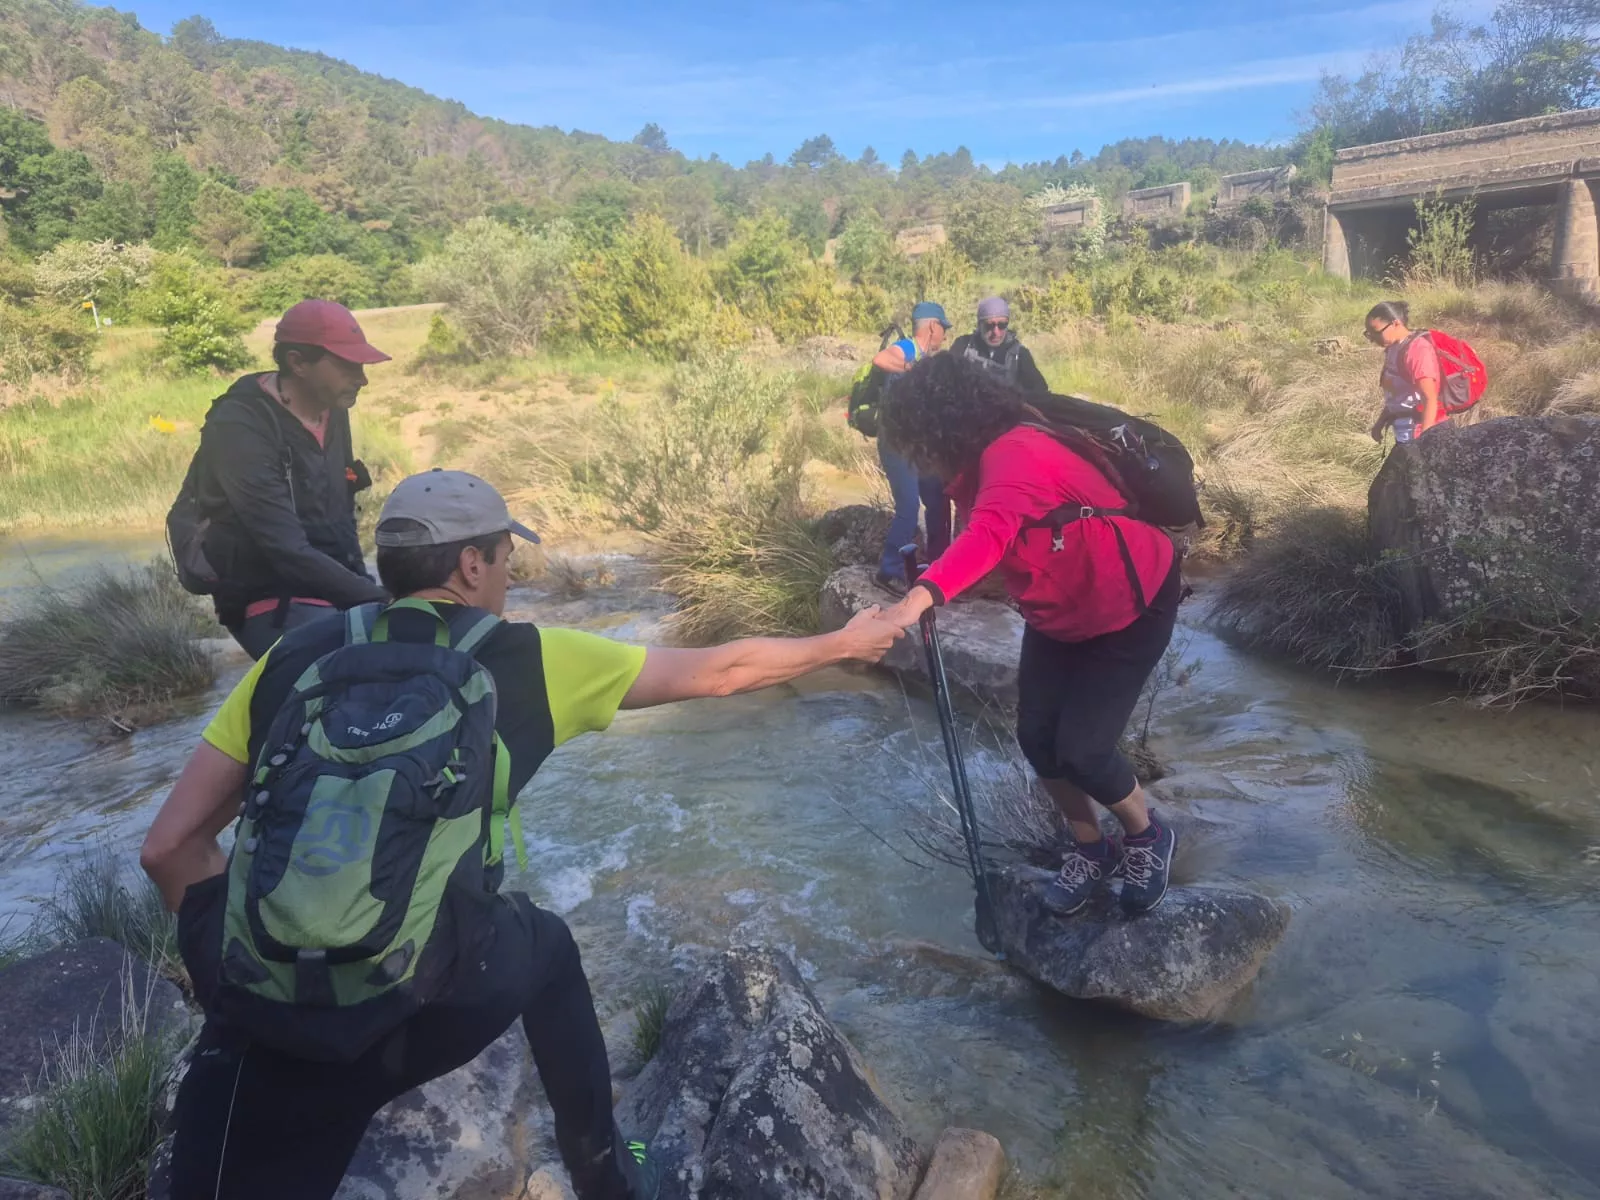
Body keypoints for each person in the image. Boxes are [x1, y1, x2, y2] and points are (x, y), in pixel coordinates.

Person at [139, 469, 906, 1200]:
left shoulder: (293, 654)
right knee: (545, 947)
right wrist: (843, 645)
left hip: (266, 1022)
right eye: (507, 557)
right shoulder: (534, 658)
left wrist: (240, 988)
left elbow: (169, 848)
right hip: (430, 999)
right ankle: (607, 1173)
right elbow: (722, 671)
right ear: (471, 565)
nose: (510, 575)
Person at [875, 355, 1181, 918]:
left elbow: (991, 532)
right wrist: (938, 581)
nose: (915, 456)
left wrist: (918, 597)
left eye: (915, 442)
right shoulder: (972, 469)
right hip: (1060, 612)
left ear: (939, 425)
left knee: (1084, 751)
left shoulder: (1016, 452)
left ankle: (1146, 835)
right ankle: (1092, 848)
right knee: (1039, 739)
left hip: (1131, 602)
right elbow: (1003, 536)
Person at [185, 299, 393, 660]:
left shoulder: (332, 408)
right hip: (267, 598)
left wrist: (367, 589)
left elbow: (342, 516)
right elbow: (285, 549)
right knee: (363, 671)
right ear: (298, 362)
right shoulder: (239, 428)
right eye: (347, 366)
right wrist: (382, 600)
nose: (362, 378)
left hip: (330, 587)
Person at [871, 300, 951, 596]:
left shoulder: (929, 359)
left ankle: (940, 563)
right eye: (943, 329)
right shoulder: (908, 347)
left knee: (939, 496)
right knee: (908, 507)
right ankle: (888, 571)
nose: (944, 336)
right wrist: (912, 368)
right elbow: (880, 359)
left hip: (917, 442)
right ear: (932, 326)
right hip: (896, 444)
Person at [1365, 300, 1447, 445]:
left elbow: (1429, 398)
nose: (1372, 339)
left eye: (1376, 333)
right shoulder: (1392, 349)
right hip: (1404, 431)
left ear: (1396, 324)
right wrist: (1380, 422)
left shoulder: (1417, 350)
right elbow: (1398, 396)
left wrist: (1424, 441)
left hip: (1420, 431)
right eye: (1368, 334)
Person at [948, 297, 1049, 394]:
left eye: (1002, 325)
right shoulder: (963, 345)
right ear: (979, 325)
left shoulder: (1020, 355)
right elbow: (946, 379)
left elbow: (1040, 391)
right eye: (989, 326)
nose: (996, 332)